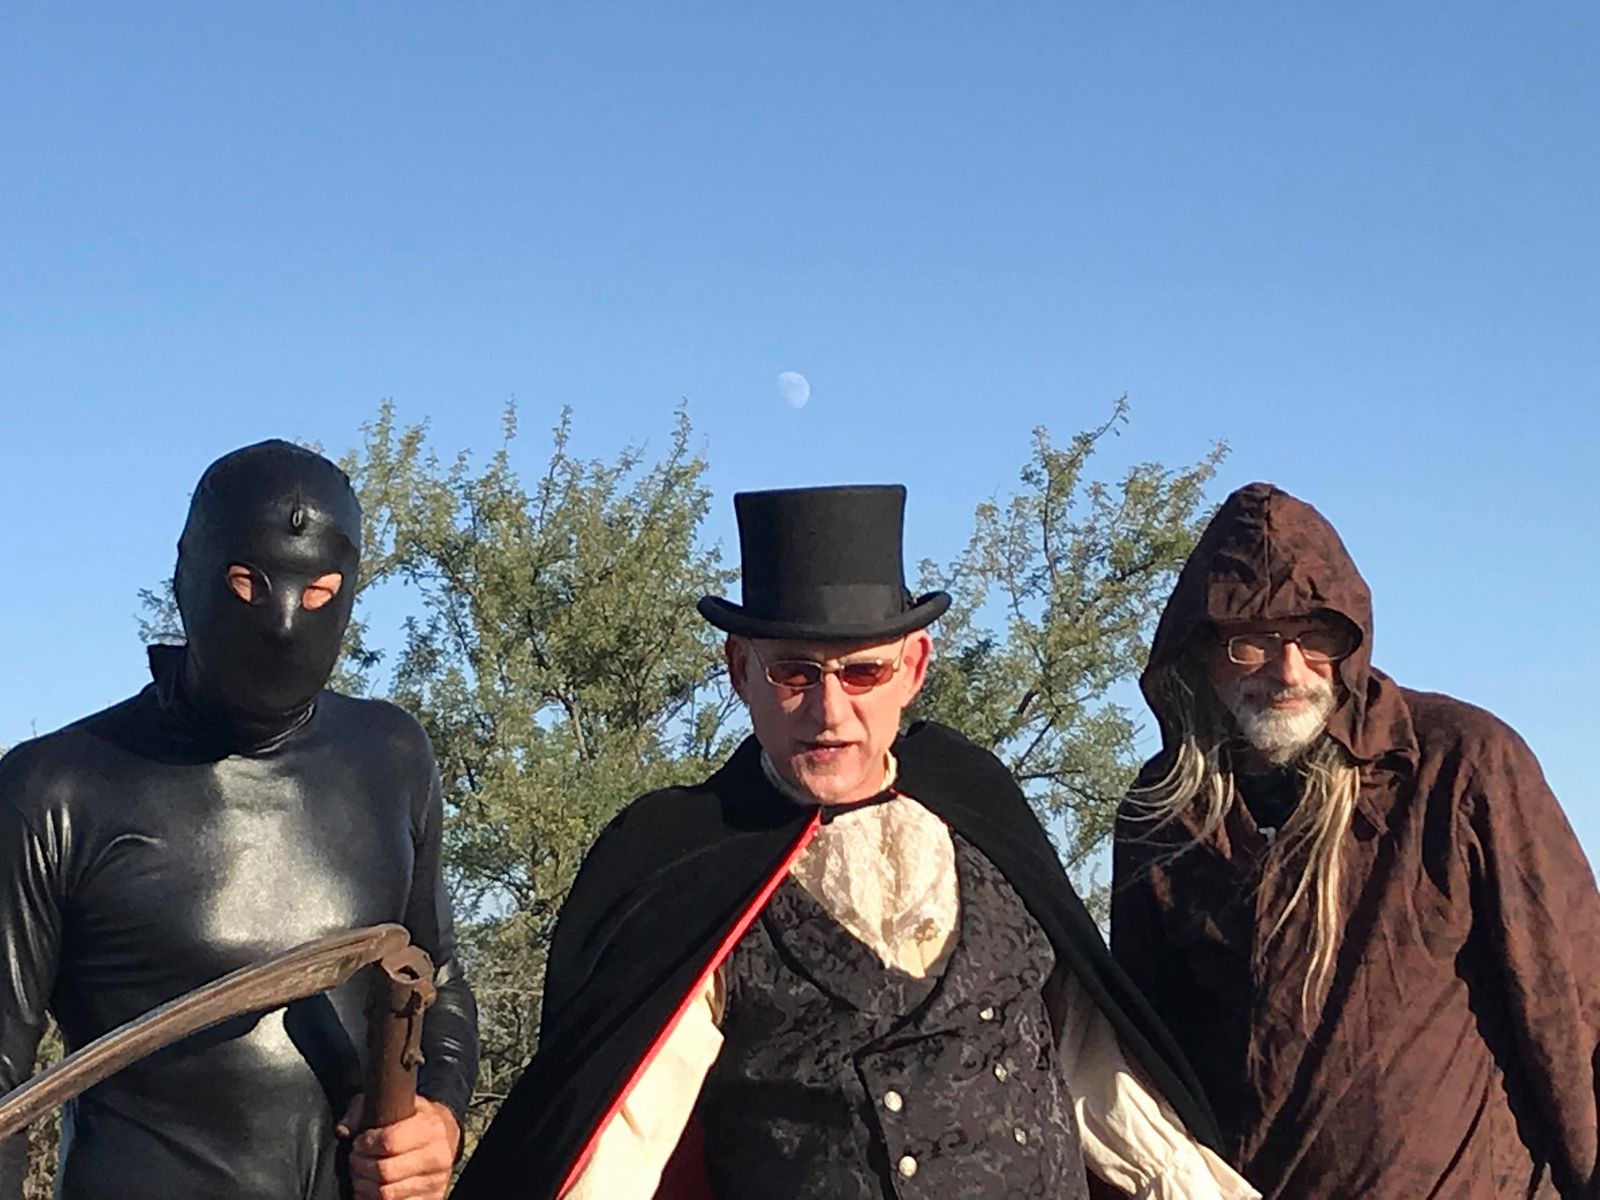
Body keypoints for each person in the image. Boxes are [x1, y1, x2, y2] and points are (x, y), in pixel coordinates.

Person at [453, 484, 1254, 1200]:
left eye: (863, 673)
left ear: (914, 668)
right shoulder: (680, 862)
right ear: (740, 671)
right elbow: (625, 1128)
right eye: (795, 674)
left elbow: (1088, 1057)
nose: (830, 712)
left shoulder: (980, 804)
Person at [0, 440, 479, 1200]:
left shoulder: (391, 758)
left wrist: (437, 1118)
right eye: (247, 583)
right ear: (188, 572)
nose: (285, 621)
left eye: (318, 592)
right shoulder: (54, 790)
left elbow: (437, 980)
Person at [1112, 480, 1600, 1199]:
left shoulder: (1457, 762)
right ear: (1203, 650)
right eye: (1254, 641)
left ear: (1352, 642)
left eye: (1316, 638)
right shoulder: (1165, 810)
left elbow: (1569, 1000)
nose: (1289, 670)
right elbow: (1145, 1053)